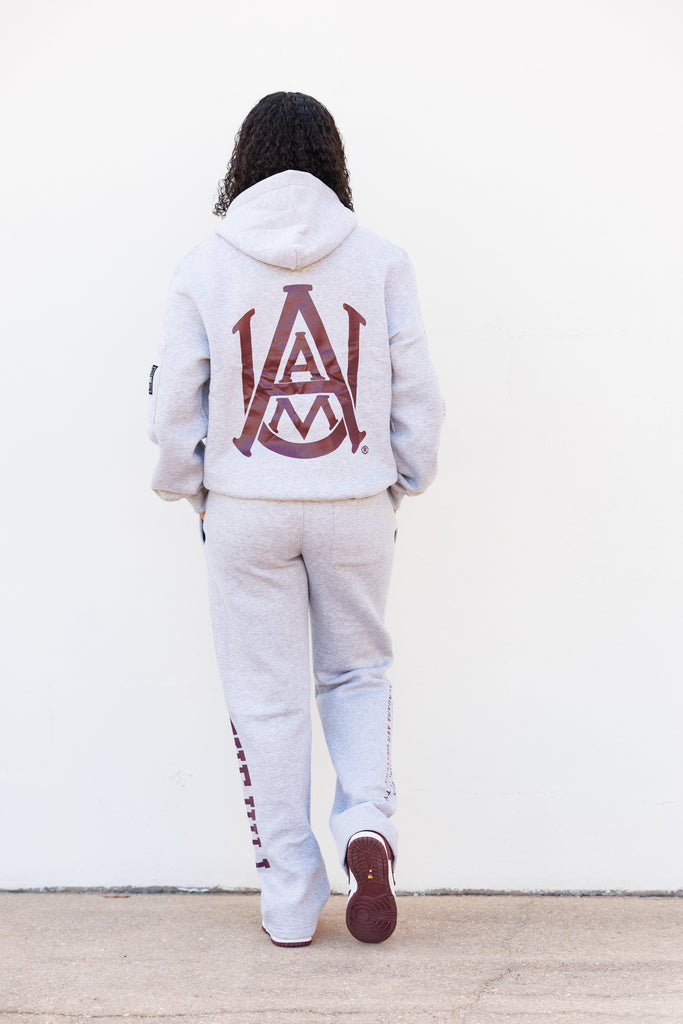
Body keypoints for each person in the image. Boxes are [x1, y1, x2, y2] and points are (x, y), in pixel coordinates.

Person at [148, 91, 443, 947]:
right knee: (356, 674)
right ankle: (367, 827)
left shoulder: (204, 266)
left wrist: (190, 486)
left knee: (265, 698)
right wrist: (401, 477)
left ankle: (286, 901)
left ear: (242, 163)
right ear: (331, 161)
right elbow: (418, 392)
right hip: (353, 502)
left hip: (248, 508)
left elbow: (176, 402)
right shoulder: (381, 261)